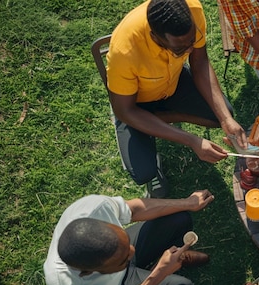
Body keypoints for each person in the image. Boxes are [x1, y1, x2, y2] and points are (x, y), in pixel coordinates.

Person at [106, 0, 248, 198]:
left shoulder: (192, 11)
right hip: (134, 105)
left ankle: (160, 120)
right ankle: (148, 122)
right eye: (180, 48)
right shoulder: (124, 50)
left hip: (173, 82)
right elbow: (125, 110)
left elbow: (199, 62)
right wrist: (191, 140)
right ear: (155, 37)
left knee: (221, 114)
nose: (190, 50)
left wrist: (226, 119)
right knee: (143, 172)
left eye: (192, 41)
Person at [43, 190, 221, 285]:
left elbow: (133, 210)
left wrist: (187, 202)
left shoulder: (93, 209)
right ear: (90, 272)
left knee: (179, 218)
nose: (133, 251)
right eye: (123, 259)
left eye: (126, 241)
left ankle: (174, 257)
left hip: (113, 260)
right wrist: (158, 273)